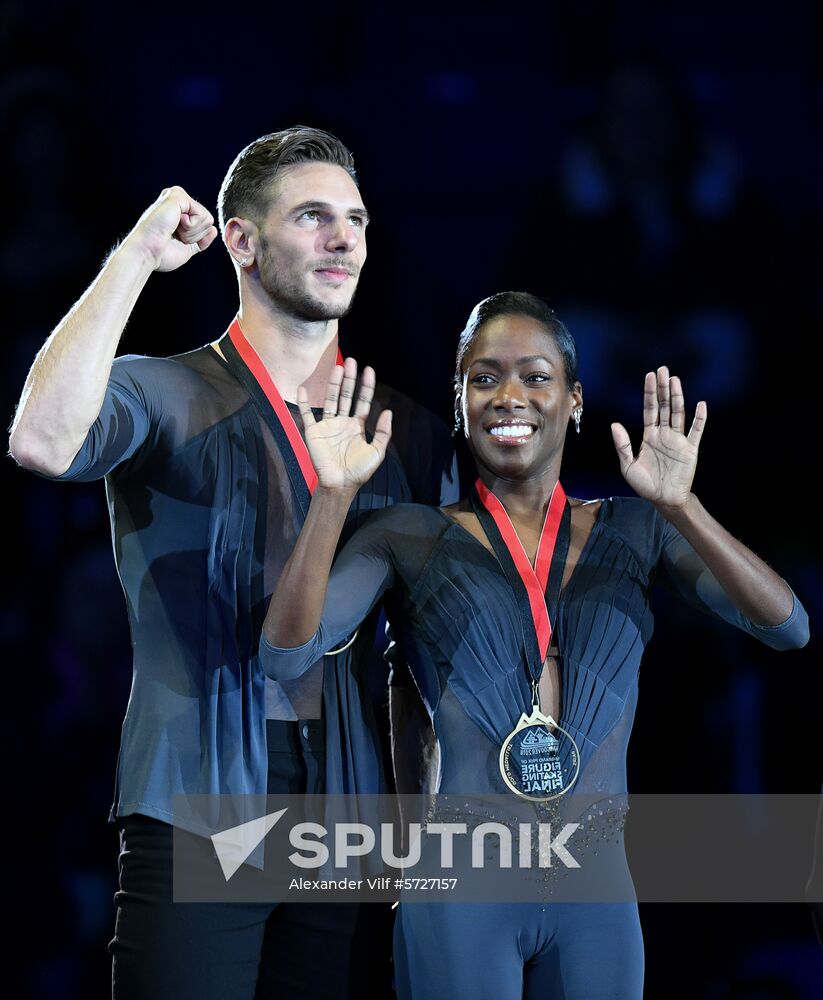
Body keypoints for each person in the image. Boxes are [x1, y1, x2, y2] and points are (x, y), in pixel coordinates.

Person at [8, 126, 457, 999]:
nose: (342, 239)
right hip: (199, 800)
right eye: (312, 217)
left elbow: (419, 663)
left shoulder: (410, 434)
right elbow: (39, 440)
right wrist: (135, 258)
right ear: (241, 241)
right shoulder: (167, 389)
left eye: (355, 220)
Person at [259, 291, 809, 999]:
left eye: (534, 376)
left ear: (574, 401)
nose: (507, 395)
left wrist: (682, 507)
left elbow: (787, 627)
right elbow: (285, 654)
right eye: (482, 378)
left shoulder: (638, 529)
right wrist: (332, 498)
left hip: (597, 880)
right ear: (457, 403)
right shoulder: (404, 534)